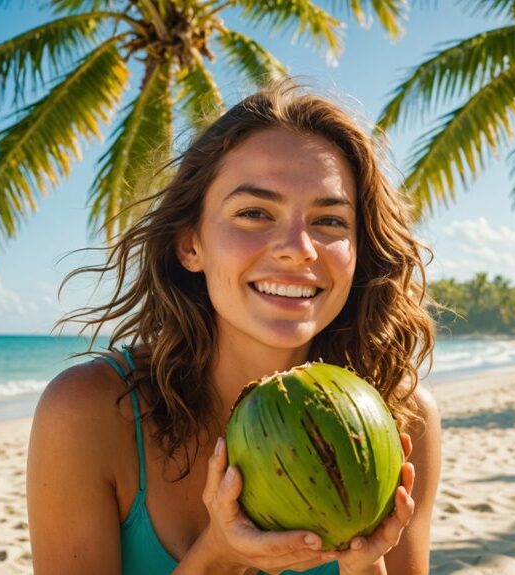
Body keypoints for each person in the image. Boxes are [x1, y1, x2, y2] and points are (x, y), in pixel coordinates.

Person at [26, 80, 441, 575]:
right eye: (254, 213)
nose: (298, 247)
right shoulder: (91, 414)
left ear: (358, 252)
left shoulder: (401, 415)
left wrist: (364, 566)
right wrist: (220, 557)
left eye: (329, 221)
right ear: (190, 244)